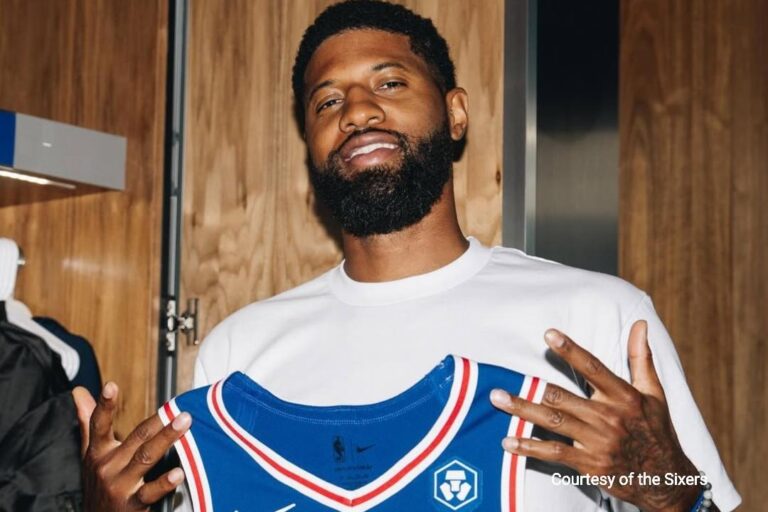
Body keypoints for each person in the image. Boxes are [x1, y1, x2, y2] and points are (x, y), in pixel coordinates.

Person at [72, 1, 740, 511]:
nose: (357, 111)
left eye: (390, 84)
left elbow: (692, 496)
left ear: (456, 114)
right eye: (327, 100)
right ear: (311, 145)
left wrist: (675, 490)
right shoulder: (239, 349)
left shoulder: (594, 316)